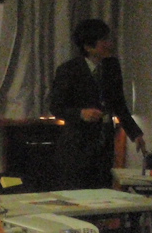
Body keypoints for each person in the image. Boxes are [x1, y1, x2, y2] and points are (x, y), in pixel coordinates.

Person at [49, 18, 146, 190]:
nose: (109, 44)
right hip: (77, 145)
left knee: (102, 191)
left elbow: (119, 103)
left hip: (104, 143)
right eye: (104, 40)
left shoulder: (112, 66)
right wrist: (81, 113)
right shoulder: (68, 70)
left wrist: (135, 133)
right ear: (88, 46)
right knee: (78, 193)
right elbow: (56, 107)